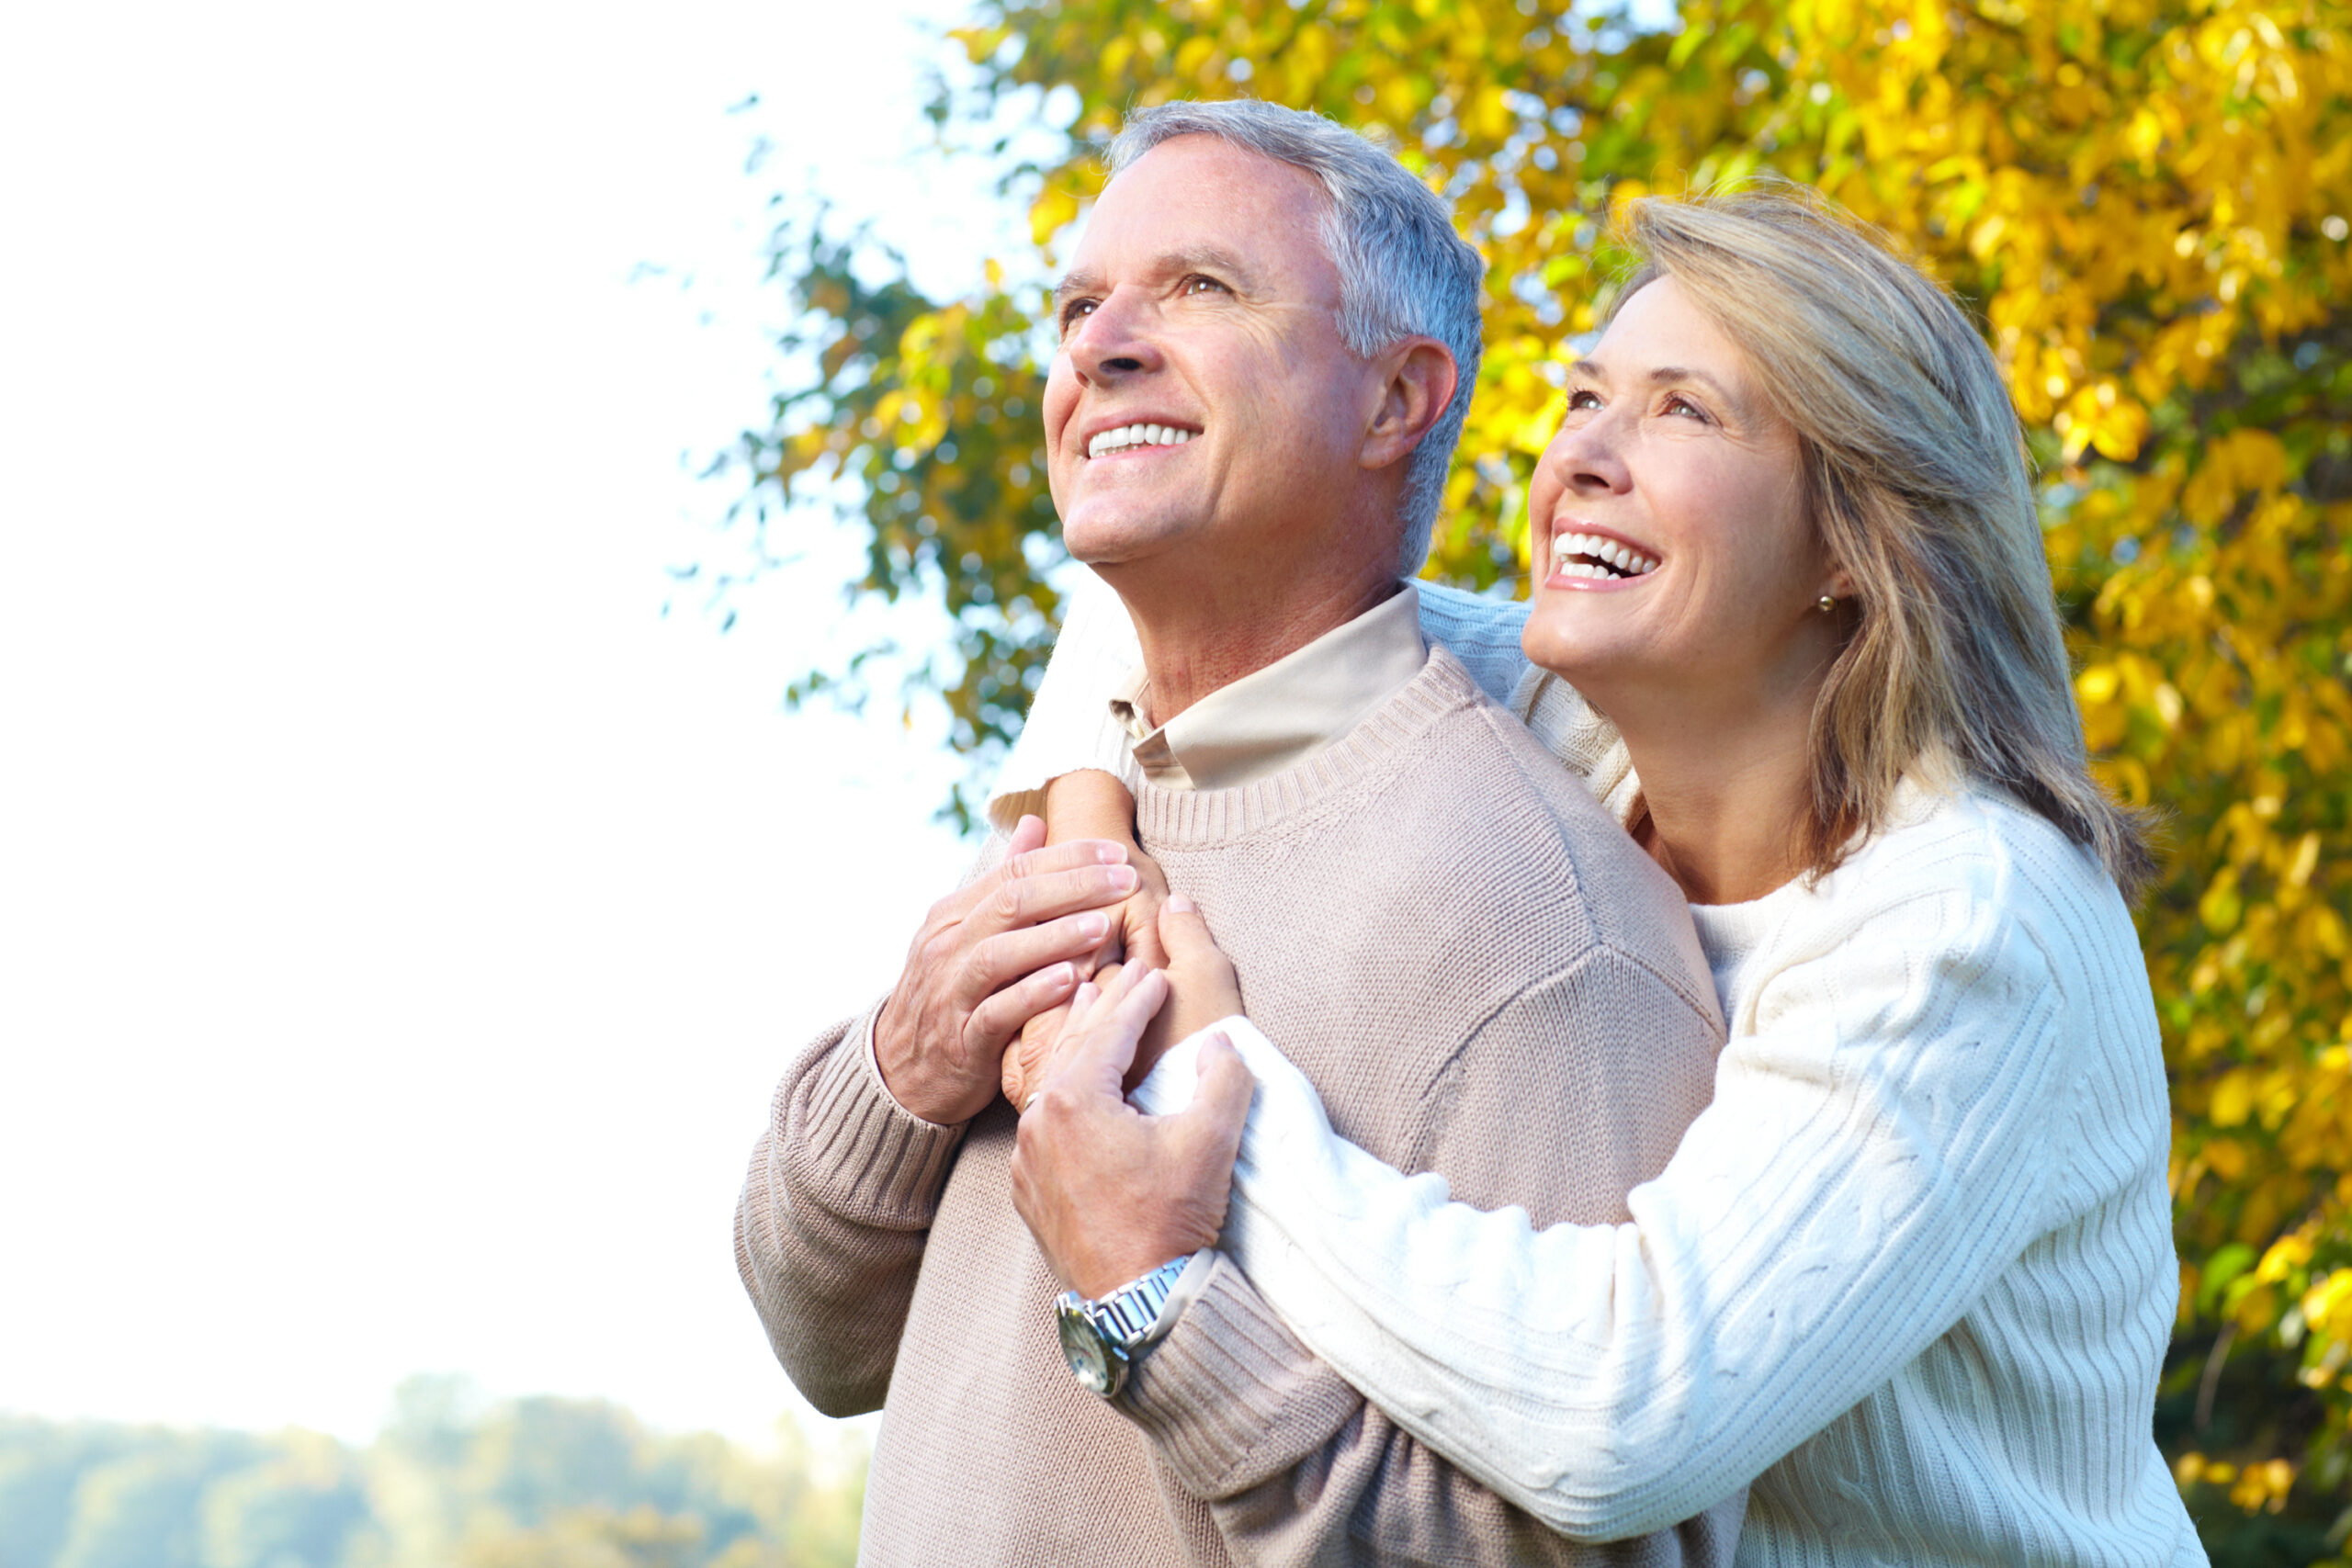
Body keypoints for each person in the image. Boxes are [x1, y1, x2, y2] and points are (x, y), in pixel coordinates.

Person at [1002, 185, 2210, 1565]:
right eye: (1586, 398)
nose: (1583, 454)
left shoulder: (1966, 923)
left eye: (1683, 411)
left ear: (1853, 546)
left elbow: (1619, 1419)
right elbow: (1149, 591)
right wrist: (1097, 873)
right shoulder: (1563, 717)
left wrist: (1209, 1091)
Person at [735, 100, 1744, 1565]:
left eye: (1199, 289)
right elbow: (817, 1343)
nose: (1100, 345)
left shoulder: (1547, 934)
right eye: (1080, 305)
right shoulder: (1059, 826)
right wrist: (902, 1066)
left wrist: (1154, 1311)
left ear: (1398, 400)